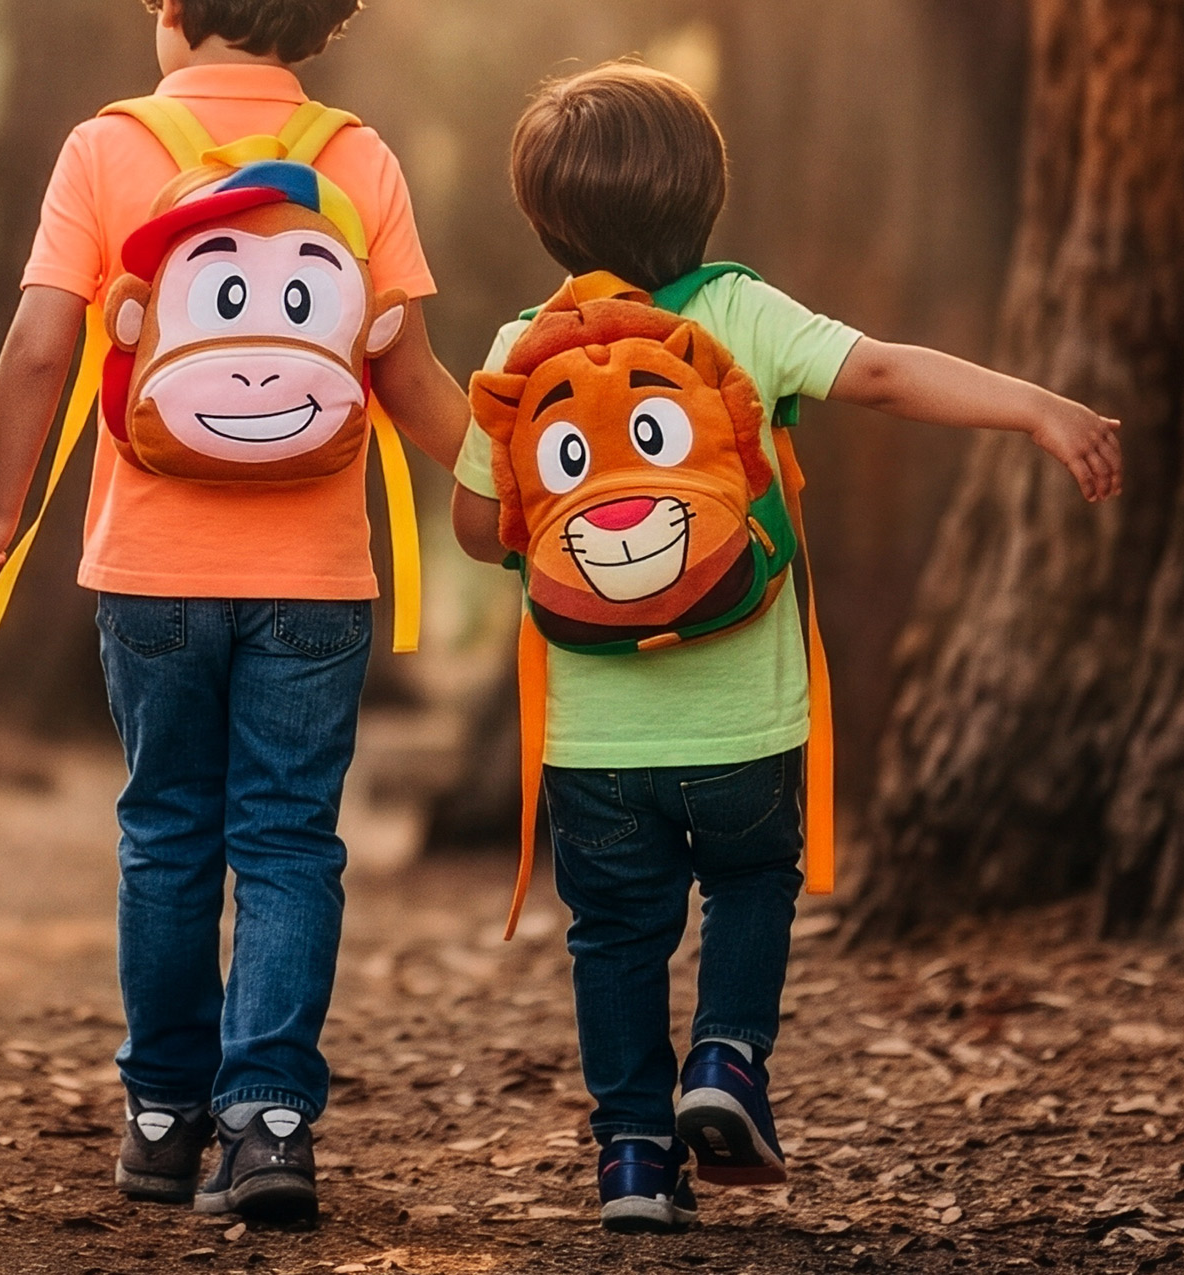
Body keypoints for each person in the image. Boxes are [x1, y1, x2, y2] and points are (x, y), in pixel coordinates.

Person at [448, 60, 1123, 1233]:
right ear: (703, 194)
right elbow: (887, 376)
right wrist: (1036, 406)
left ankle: (631, 1161)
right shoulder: (741, 313)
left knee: (611, 932)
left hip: (593, 739)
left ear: (543, 217)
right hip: (743, 722)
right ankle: (726, 1058)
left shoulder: (522, 346)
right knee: (752, 881)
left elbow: (473, 526)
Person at [0, 0, 473, 1220]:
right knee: (290, 837)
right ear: (325, 20)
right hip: (316, 578)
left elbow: (43, 341)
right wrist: (513, 484)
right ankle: (270, 1117)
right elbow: (407, 379)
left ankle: (164, 1111)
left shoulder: (110, 147)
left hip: (148, 567)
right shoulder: (356, 157)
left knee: (166, 832)